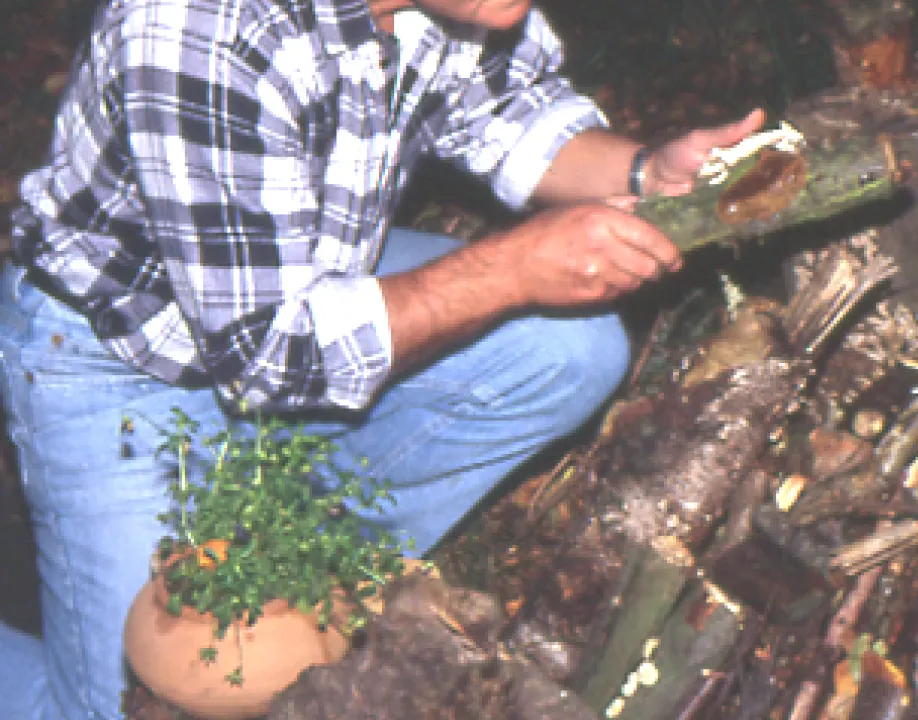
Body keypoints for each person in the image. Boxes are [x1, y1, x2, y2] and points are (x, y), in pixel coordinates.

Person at [0, 0, 765, 717]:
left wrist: (646, 173)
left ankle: (299, 573)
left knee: (567, 347)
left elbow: (512, 114)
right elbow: (268, 351)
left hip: (300, 276)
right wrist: (511, 269)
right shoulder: (197, 25)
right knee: (133, 702)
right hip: (121, 353)